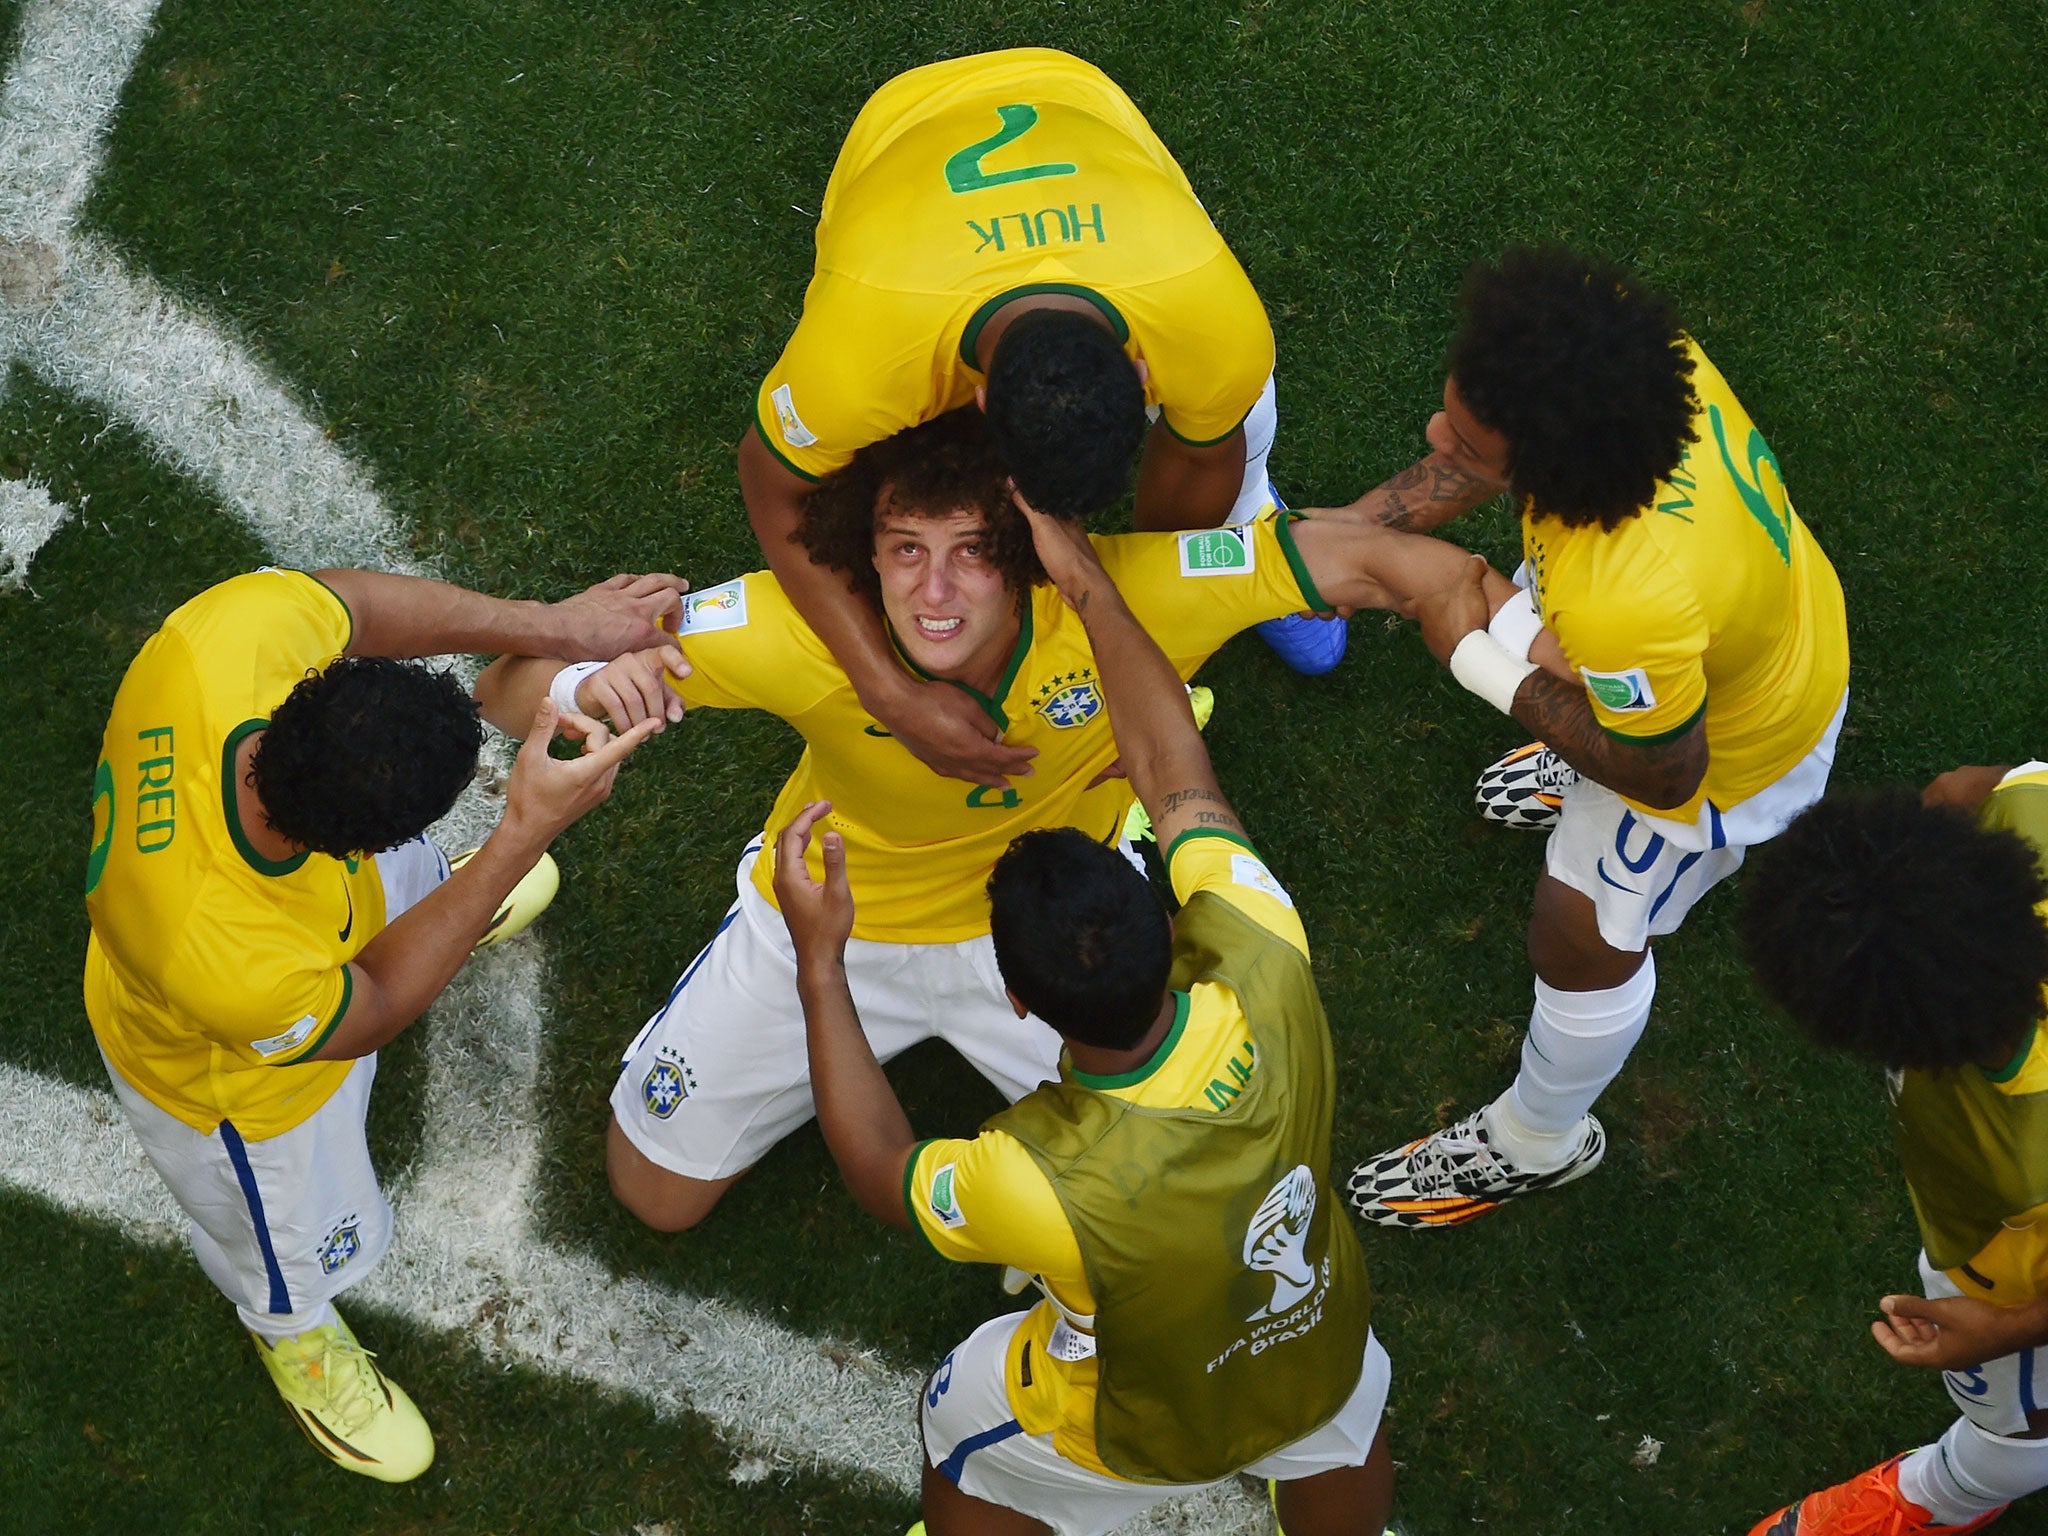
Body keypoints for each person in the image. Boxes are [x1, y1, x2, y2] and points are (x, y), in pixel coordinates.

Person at [476, 408, 1495, 1237]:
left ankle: (1153, 730)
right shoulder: (788, 630)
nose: (932, 588)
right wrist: (582, 663)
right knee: (655, 1194)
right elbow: (506, 694)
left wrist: (1495, 629)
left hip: (1057, 930)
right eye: (903, 549)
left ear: (1025, 551)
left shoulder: (1132, 590)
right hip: (838, 913)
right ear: (856, 556)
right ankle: (1162, 716)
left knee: (1214, 1202)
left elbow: (1367, 562)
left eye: (971, 550)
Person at [771, 492, 1391, 1536]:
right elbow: (1173, 770)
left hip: (1131, 1431)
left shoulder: (1031, 1182)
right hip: (1318, 1340)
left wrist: (821, 963)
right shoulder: (1262, 948)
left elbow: (882, 1170)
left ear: (1016, 999)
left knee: (960, 1433)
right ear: (1164, 915)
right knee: (1341, 1417)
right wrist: (1093, 587)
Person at [84, 566, 674, 1480]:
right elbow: (374, 1009)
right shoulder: (232, 963)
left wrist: (557, 624)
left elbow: (354, 609)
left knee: (420, 902)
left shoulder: (227, 644)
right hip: (239, 1083)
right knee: (281, 1243)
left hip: (282, 934)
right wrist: (520, 835)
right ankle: (295, 1339)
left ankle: (451, 908)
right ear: (359, 848)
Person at [1346, 245, 1851, 1229]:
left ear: (1549, 465)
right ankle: (1570, 729)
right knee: (1553, 647)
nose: (1434, 430)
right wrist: (1329, 543)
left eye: (1465, 435)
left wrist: (1477, 654)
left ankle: (1538, 1140)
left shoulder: (1621, 594)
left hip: (1728, 753)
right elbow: (1472, 464)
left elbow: (1661, 772)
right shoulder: (1628, 365)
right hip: (1742, 630)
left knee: (1576, 931)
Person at [738, 46, 1343, 790]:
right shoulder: (859, 358)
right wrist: (887, 692)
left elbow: (1197, 454)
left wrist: (1139, 646)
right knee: (888, 475)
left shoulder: (1212, 318)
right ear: (978, 403)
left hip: (1082, 100)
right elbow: (771, 482)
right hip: (901, 127)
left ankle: (1253, 508)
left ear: (1141, 377)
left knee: (1233, 400)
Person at [1740, 770, 2048, 1536]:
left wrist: (2007, 1331)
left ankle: (1934, 1497)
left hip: (2006, 1280)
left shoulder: (2025, 1158)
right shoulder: (2034, 813)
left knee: (2025, 1427)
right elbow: (1979, 787)